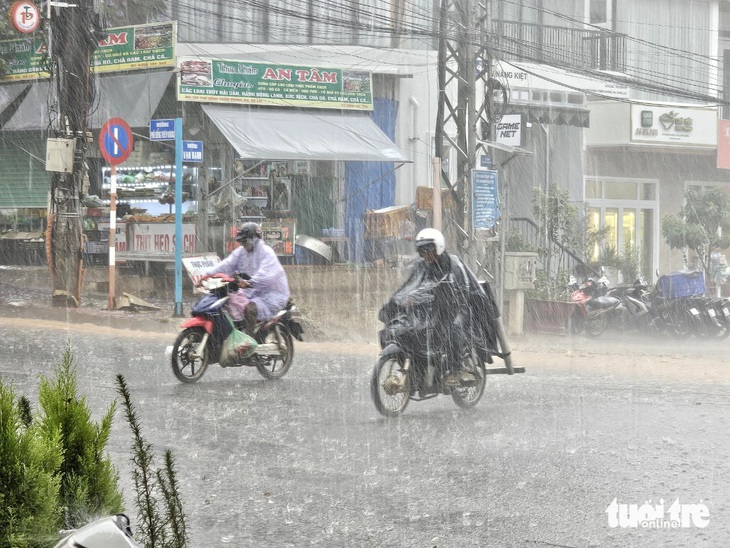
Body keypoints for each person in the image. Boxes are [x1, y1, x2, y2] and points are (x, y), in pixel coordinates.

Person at [383, 227, 496, 386]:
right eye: (423, 252)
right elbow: (410, 285)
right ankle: (418, 366)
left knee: (453, 329)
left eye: (429, 251)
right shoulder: (421, 266)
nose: (427, 256)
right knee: (406, 327)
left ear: (439, 248)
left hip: (461, 306)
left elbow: (459, 289)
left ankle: (456, 369)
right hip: (433, 308)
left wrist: (435, 296)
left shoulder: (453, 263)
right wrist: (397, 301)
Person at [203, 222, 290, 334]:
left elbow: (265, 272)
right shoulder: (241, 252)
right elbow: (226, 265)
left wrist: (251, 282)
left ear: (255, 238)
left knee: (250, 310)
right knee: (228, 305)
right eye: (242, 241)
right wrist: (208, 274)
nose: (243, 244)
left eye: (245, 241)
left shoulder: (266, 252)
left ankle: (248, 341)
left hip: (272, 295)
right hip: (251, 293)